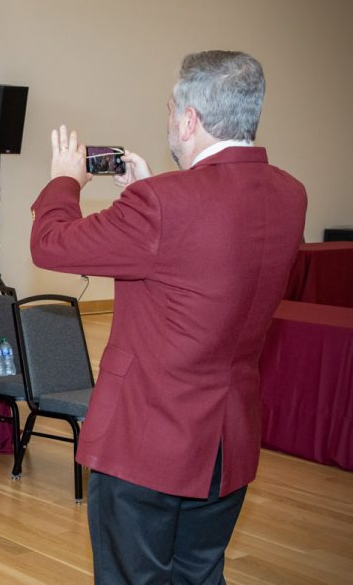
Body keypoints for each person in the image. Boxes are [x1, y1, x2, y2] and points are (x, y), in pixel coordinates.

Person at [29, 51, 307, 583]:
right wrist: (149, 193)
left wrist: (65, 181)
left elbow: (50, 245)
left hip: (146, 442)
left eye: (169, 109)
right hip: (227, 443)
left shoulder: (164, 203)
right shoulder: (290, 194)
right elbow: (205, 258)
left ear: (189, 119)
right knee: (200, 575)